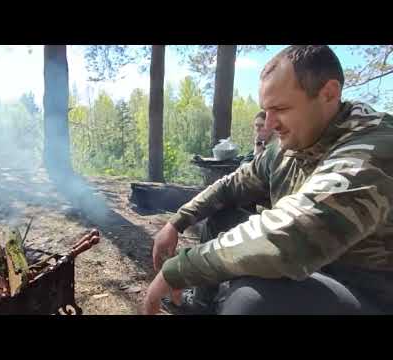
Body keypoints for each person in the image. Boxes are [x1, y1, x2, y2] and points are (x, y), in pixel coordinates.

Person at [142, 45, 393, 315]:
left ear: (329, 94)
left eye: (281, 108)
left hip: (366, 290)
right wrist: (177, 221)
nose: (269, 124)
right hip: (311, 271)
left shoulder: (375, 147)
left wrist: (180, 269)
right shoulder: (290, 146)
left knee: (252, 301)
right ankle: (203, 306)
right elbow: (232, 185)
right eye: (266, 110)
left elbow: (292, 235)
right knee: (220, 217)